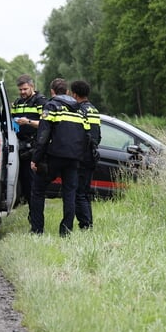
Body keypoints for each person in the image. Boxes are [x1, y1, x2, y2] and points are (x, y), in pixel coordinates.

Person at [29, 78, 88, 236]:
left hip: (54, 156)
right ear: (68, 92)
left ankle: (37, 230)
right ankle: (66, 231)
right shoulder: (80, 109)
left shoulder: (51, 106)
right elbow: (86, 135)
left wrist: (35, 159)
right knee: (70, 193)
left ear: (52, 92)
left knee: (38, 189)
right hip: (74, 158)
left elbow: (43, 135)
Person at [70, 80, 101, 230]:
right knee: (85, 192)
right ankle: (88, 223)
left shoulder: (80, 111)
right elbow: (97, 136)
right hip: (92, 155)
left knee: (79, 193)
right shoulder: (94, 110)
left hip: (82, 156)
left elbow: (78, 135)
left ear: (74, 94)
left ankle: (86, 225)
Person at [11, 74, 46, 203]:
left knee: (32, 182)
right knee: (23, 180)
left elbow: (45, 124)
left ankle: (34, 210)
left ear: (32, 86)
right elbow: (12, 120)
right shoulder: (17, 102)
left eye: (25, 89)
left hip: (34, 146)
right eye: (20, 90)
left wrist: (28, 122)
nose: (22, 92)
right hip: (19, 145)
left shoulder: (40, 101)